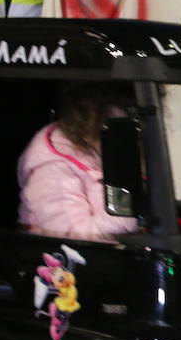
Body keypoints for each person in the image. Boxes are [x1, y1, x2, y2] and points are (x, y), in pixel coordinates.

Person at [17, 81, 140, 240]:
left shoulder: (107, 153)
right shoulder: (53, 171)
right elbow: (76, 238)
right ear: (90, 126)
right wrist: (125, 210)